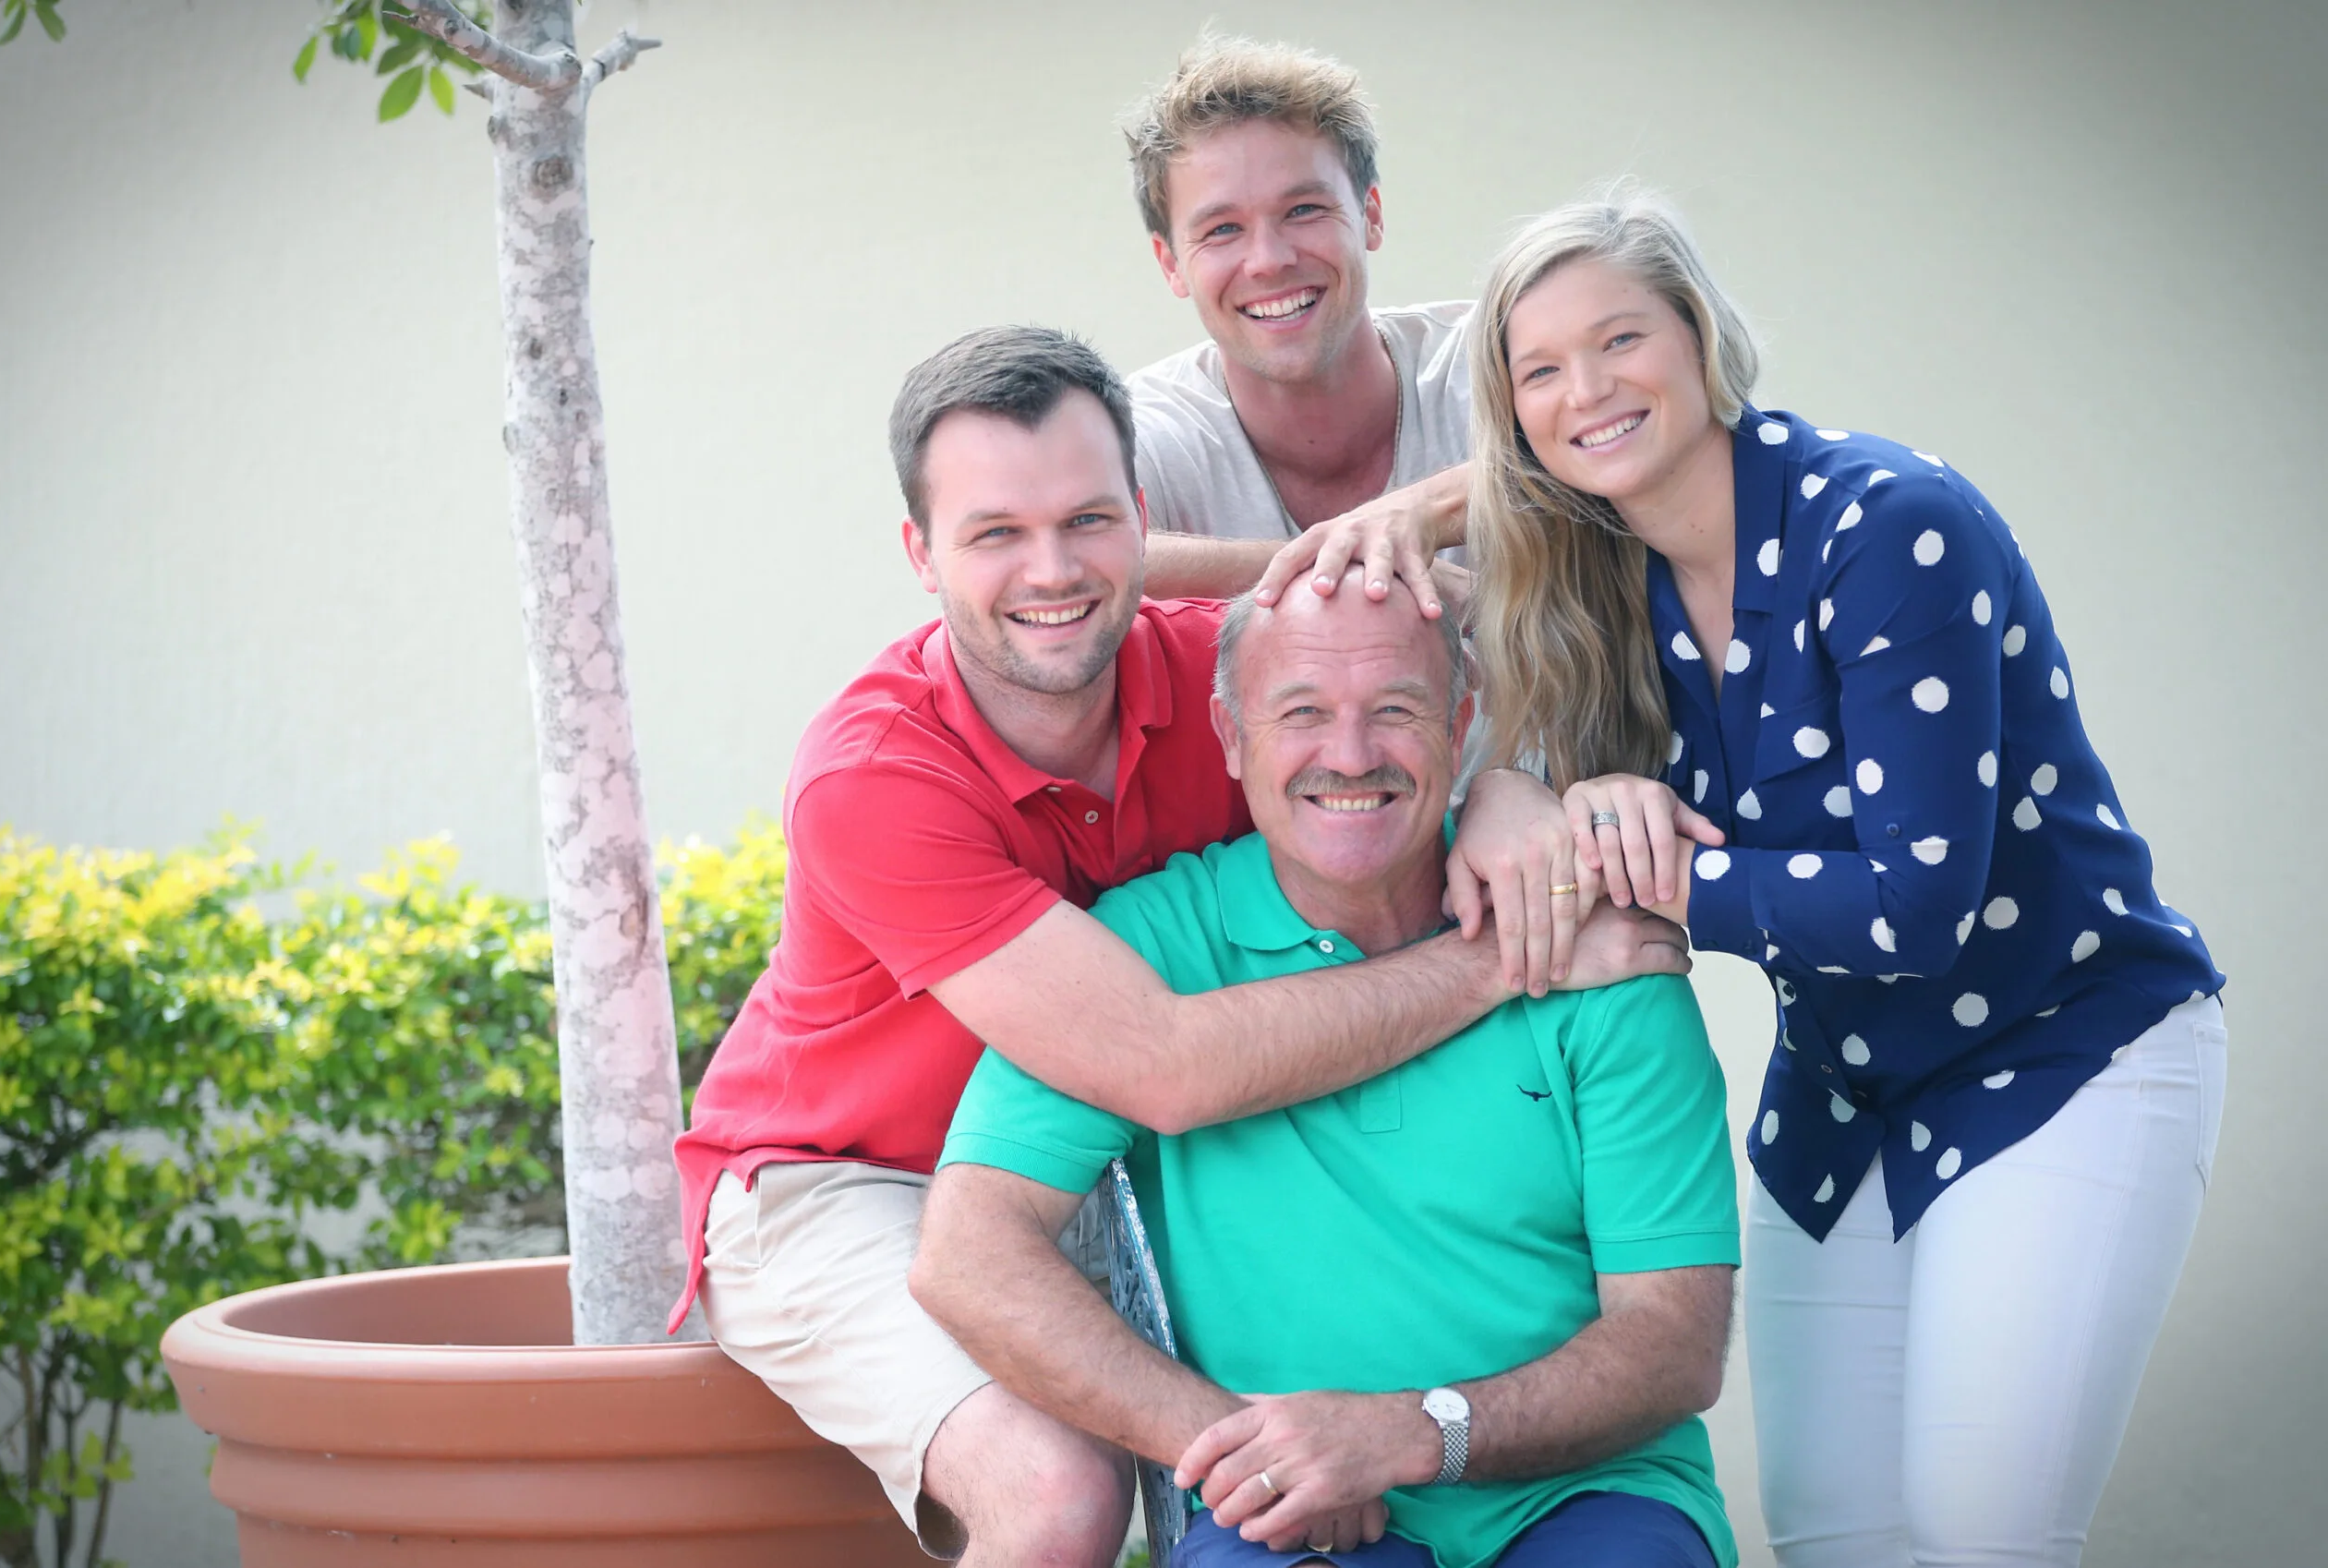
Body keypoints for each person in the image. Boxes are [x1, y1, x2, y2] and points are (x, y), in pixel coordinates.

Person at [670, 324, 1690, 1564]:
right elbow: (1164, 1067)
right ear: (919, 553)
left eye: (1088, 520)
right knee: (1060, 1496)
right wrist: (1501, 956)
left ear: (1141, 523)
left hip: (1080, 1154)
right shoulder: (874, 774)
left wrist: (1511, 788)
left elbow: (1418, 686)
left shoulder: (1230, 678)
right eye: (996, 532)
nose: (1051, 567)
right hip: (844, 1175)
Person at [1433, 188, 2226, 1567]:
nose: (1589, 390)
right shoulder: (1597, 582)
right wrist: (1552, 797)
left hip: (2067, 1047)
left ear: (1699, 337)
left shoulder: (1886, 526)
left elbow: (1918, 906)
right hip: (1849, 1083)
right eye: (1540, 371)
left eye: (1621, 338)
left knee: (1982, 1528)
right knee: (1837, 1536)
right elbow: (1512, 782)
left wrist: (1672, 875)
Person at [913, 569, 1740, 1568]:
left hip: (1583, 1499)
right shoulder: (1142, 953)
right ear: (1229, 736)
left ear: (1460, 720)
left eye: (1395, 709)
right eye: (1301, 712)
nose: (1349, 757)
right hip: (1285, 1525)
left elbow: (1671, 1344)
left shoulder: (1595, 947)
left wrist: (1416, 1432)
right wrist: (1245, 1452)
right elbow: (969, 1256)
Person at [1120, 36, 1474, 622]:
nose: (1267, 259)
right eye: (1222, 229)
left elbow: (1651, 435)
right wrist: (1342, 558)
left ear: (1371, 216)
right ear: (1170, 264)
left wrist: (1421, 513)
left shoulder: (1494, 359)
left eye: (1304, 210)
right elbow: (1065, 561)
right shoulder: (1141, 431)